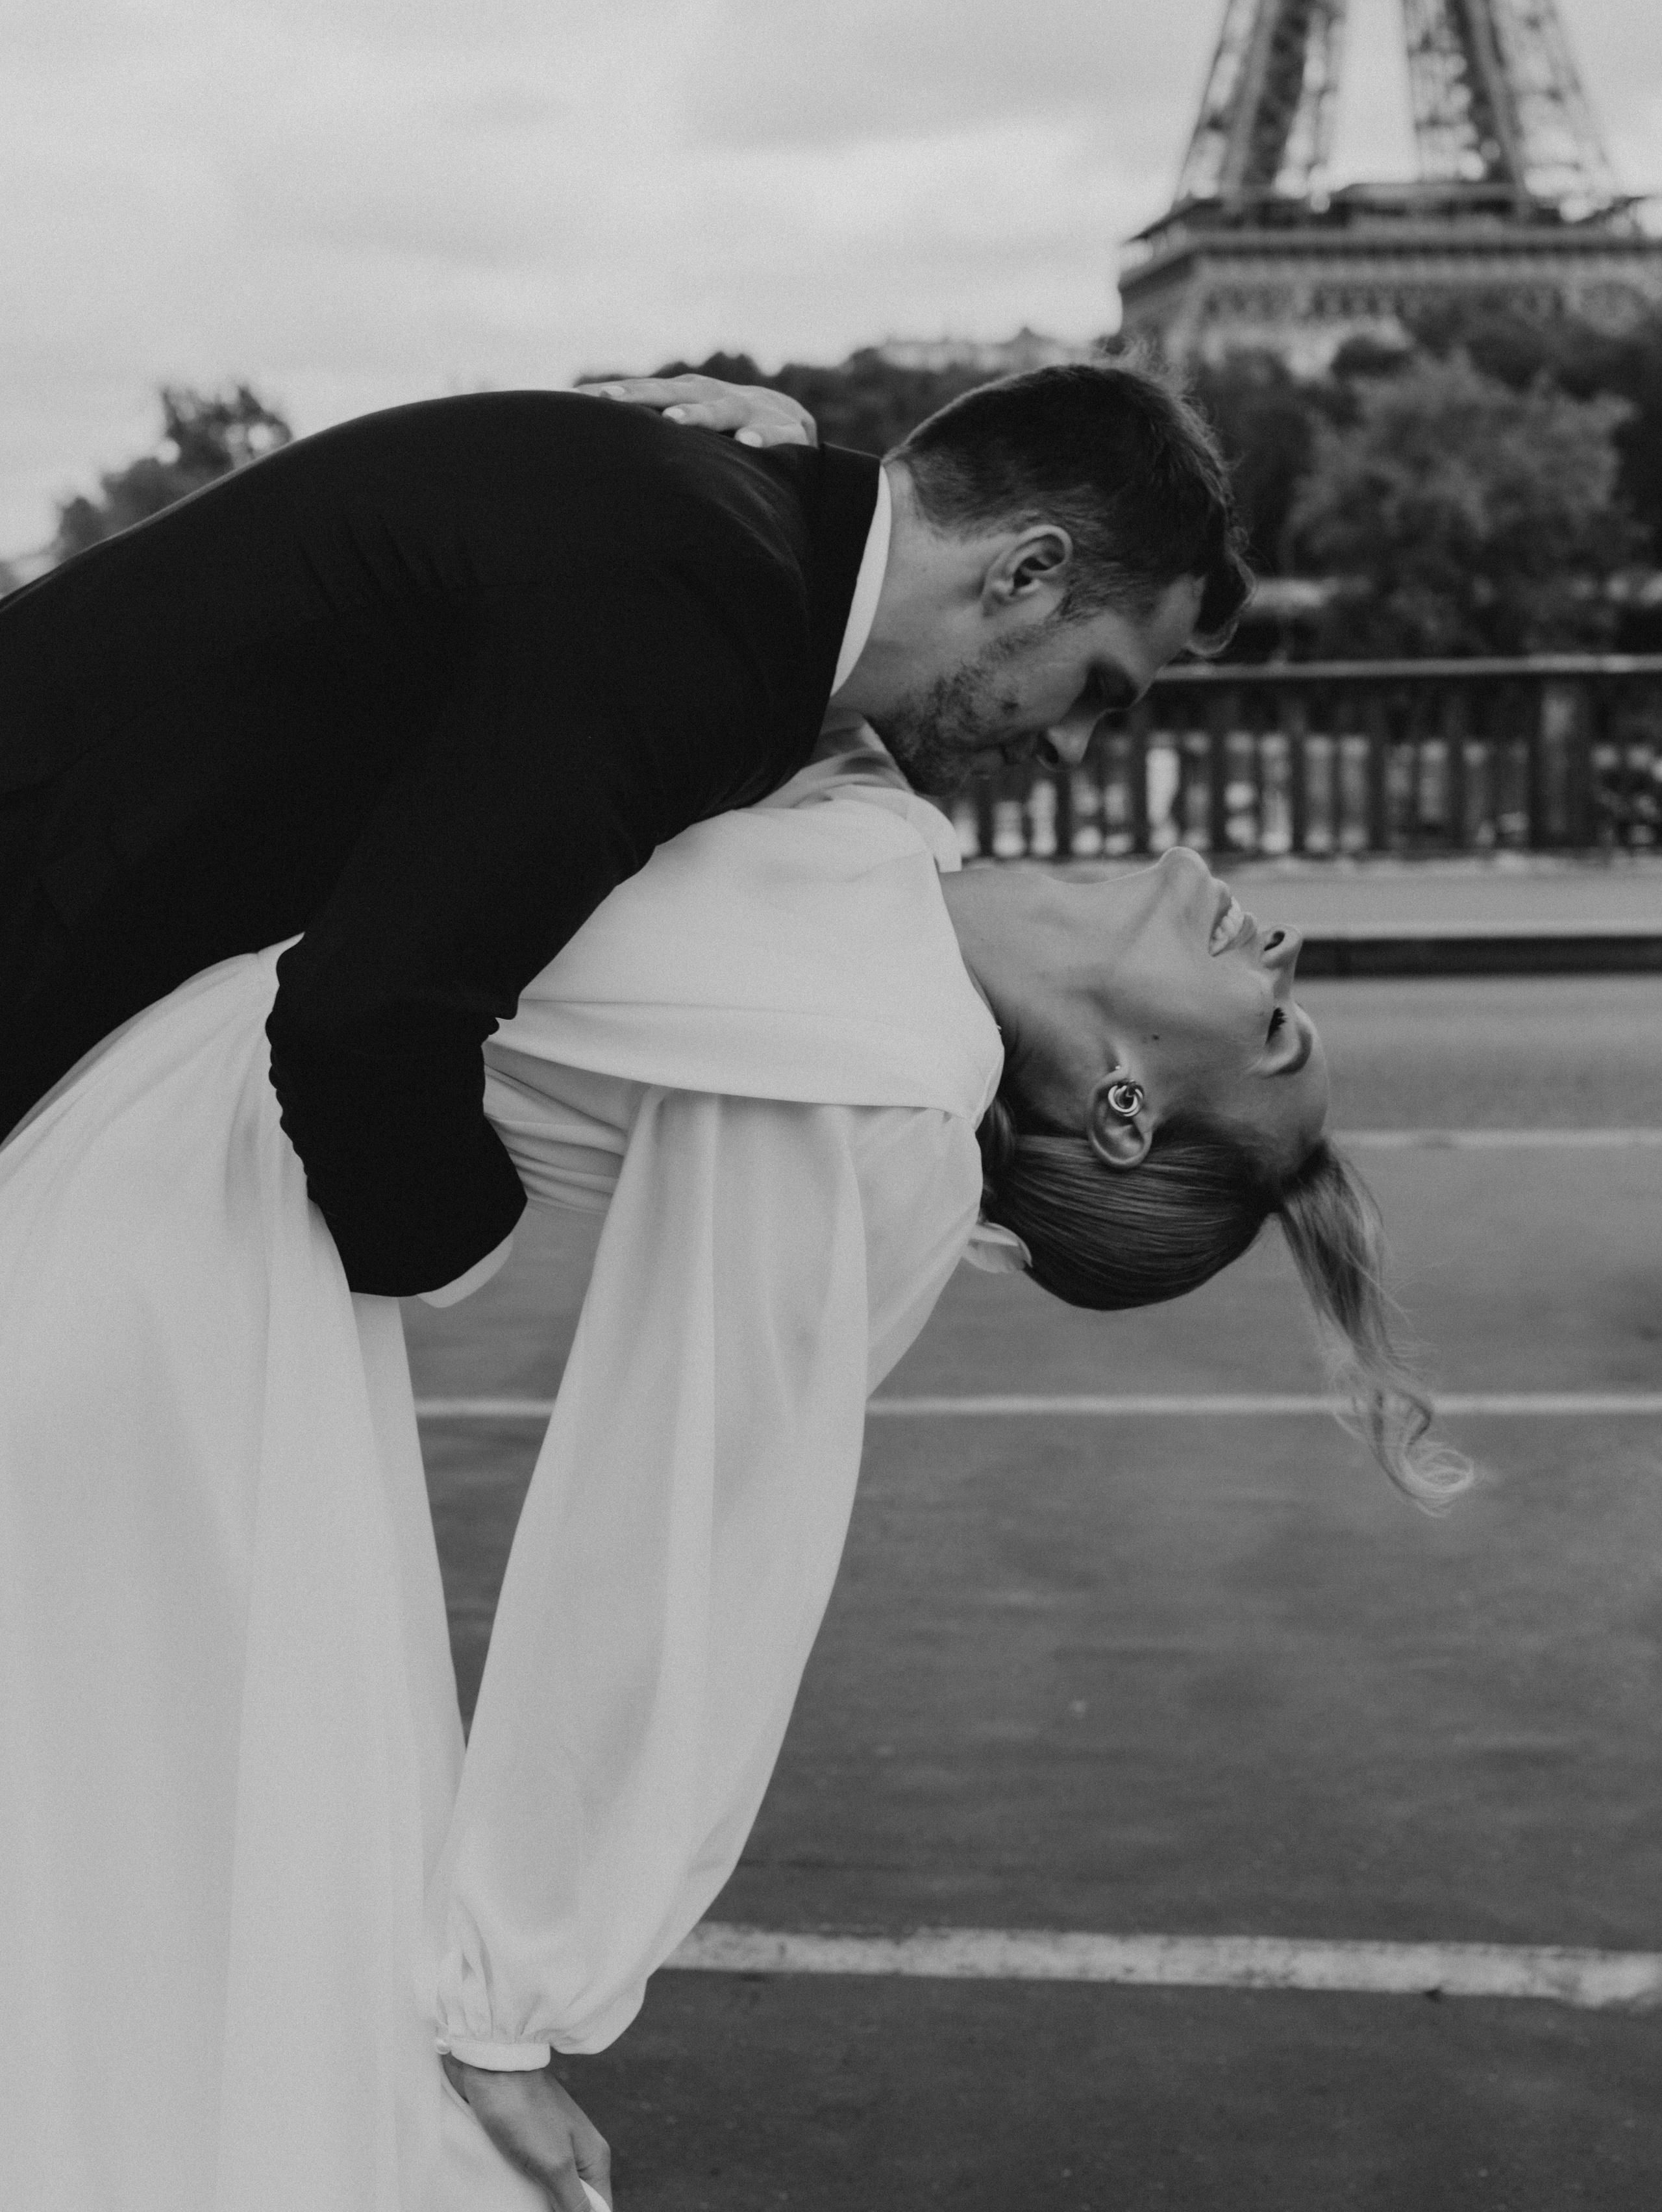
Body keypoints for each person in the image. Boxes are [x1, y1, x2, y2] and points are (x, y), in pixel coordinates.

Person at [0, 722, 1465, 2212]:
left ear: (1123, 1104)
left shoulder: (884, 1107)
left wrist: (514, 2003)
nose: (1280, 951)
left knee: (196, 1909)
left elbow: (687, 1532)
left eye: (1271, 1028)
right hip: (153, 1128)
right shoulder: (897, 859)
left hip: (178, 1242)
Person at [0, 360, 1250, 1308]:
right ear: (1027, 573)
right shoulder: (708, 608)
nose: (1072, 746)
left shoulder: (733, 537)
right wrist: (455, 1251)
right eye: (1096, 688)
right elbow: (368, 1014)